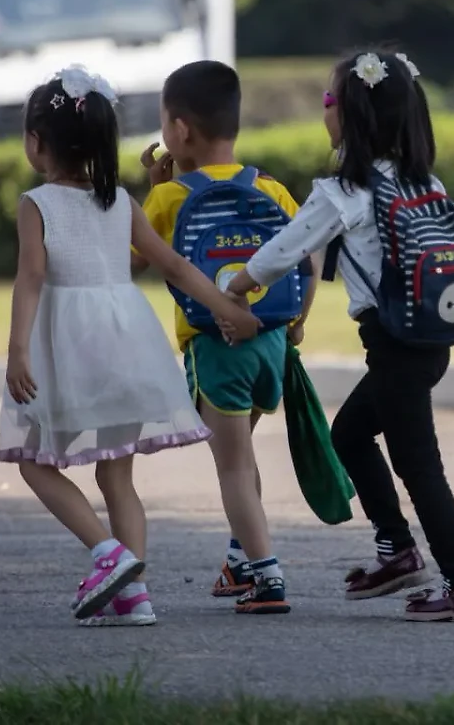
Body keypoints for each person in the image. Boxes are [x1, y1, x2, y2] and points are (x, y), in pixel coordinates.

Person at [223, 50, 454, 623]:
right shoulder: (423, 180)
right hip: (427, 340)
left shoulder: (346, 190)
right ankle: (397, 552)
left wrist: (235, 287)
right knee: (347, 434)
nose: (323, 110)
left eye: (328, 100)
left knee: (419, 466)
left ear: (351, 114)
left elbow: (284, 250)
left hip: (396, 345)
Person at [0, 64, 260, 625]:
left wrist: (18, 350)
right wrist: (228, 308)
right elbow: (176, 267)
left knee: (33, 461)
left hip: (68, 348)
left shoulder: (36, 204)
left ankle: (108, 554)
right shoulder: (121, 202)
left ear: (37, 142)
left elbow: (32, 278)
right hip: (125, 344)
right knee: (117, 476)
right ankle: (134, 598)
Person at [134, 60, 318, 615]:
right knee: (243, 457)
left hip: (218, 349)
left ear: (180, 129)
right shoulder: (270, 188)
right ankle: (241, 561)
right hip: (271, 344)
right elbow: (308, 260)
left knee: (232, 468)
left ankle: (268, 577)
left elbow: (134, 263)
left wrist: (154, 195)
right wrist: (297, 322)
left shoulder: (168, 199)